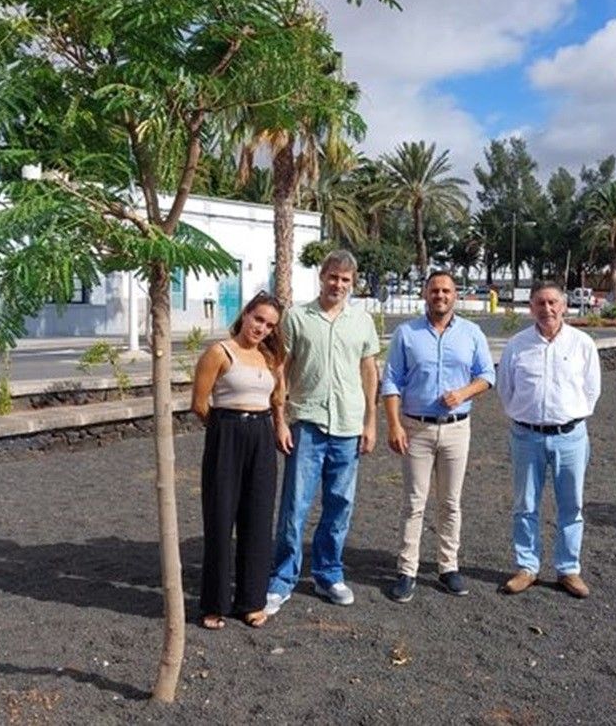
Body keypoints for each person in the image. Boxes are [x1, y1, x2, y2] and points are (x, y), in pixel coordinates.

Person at [264, 250, 379, 615]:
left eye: (345, 280)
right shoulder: (298, 318)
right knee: (295, 504)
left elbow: (369, 372)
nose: (338, 285)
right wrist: (279, 419)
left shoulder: (362, 322)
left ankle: (329, 573)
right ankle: (282, 578)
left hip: (347, 425)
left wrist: (371, 421)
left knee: (339, 505)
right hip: (308, 424)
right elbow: (281, 370)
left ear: (352, 283)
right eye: (333, 277)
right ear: (321, 277)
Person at [381, 270, 496, 603]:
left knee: (450, 502)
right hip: (416, 428)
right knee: (414, 502)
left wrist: (463, 393)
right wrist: (394, 424)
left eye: (446, 290)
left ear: (455, 295)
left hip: (457, 428)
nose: (440, 296)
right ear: (425, 294)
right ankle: (407, 570)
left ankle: (448, 566)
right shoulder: (407, 333)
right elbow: (391, 382)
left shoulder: (472, 333)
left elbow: (487, 375)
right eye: (434, 290)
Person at [497, 281, 601, 599]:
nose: (547, 309)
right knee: (525, 504)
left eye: (553, 302)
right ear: (531, 308)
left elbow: (591, 389)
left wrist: (569, 415)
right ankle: (527, 567)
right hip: (526, 436)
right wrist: (525, 415)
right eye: (540, 303)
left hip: (570, 437)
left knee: (572, 505)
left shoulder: (582, 344)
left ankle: (568, 569)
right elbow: (506, 389)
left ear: (564, 306)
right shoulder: (517, 345)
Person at [190, 291, 287, 630]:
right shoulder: (220, 352)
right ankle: (214, 603)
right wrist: (224, 431)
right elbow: (200, 404)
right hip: (227, 432)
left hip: (261, 435)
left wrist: (277, 426)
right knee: (220, 518)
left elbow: (277, 399)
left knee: (258, 519)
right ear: (245, 314)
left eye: (270, 325)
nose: (261, 328)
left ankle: (251, 601)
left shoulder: (270, 358)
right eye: (258, 319)